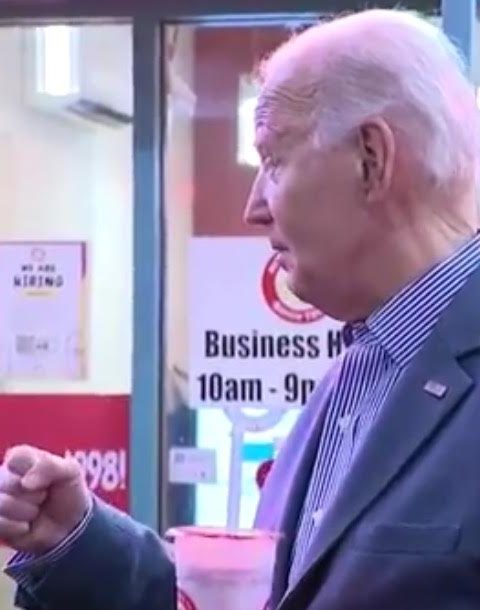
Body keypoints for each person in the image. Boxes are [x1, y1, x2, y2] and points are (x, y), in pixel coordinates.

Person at [1, 8, 479, 610]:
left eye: (273, 161)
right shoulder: (358, 370)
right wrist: (78, 541)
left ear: (371, 158)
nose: (254, 208)